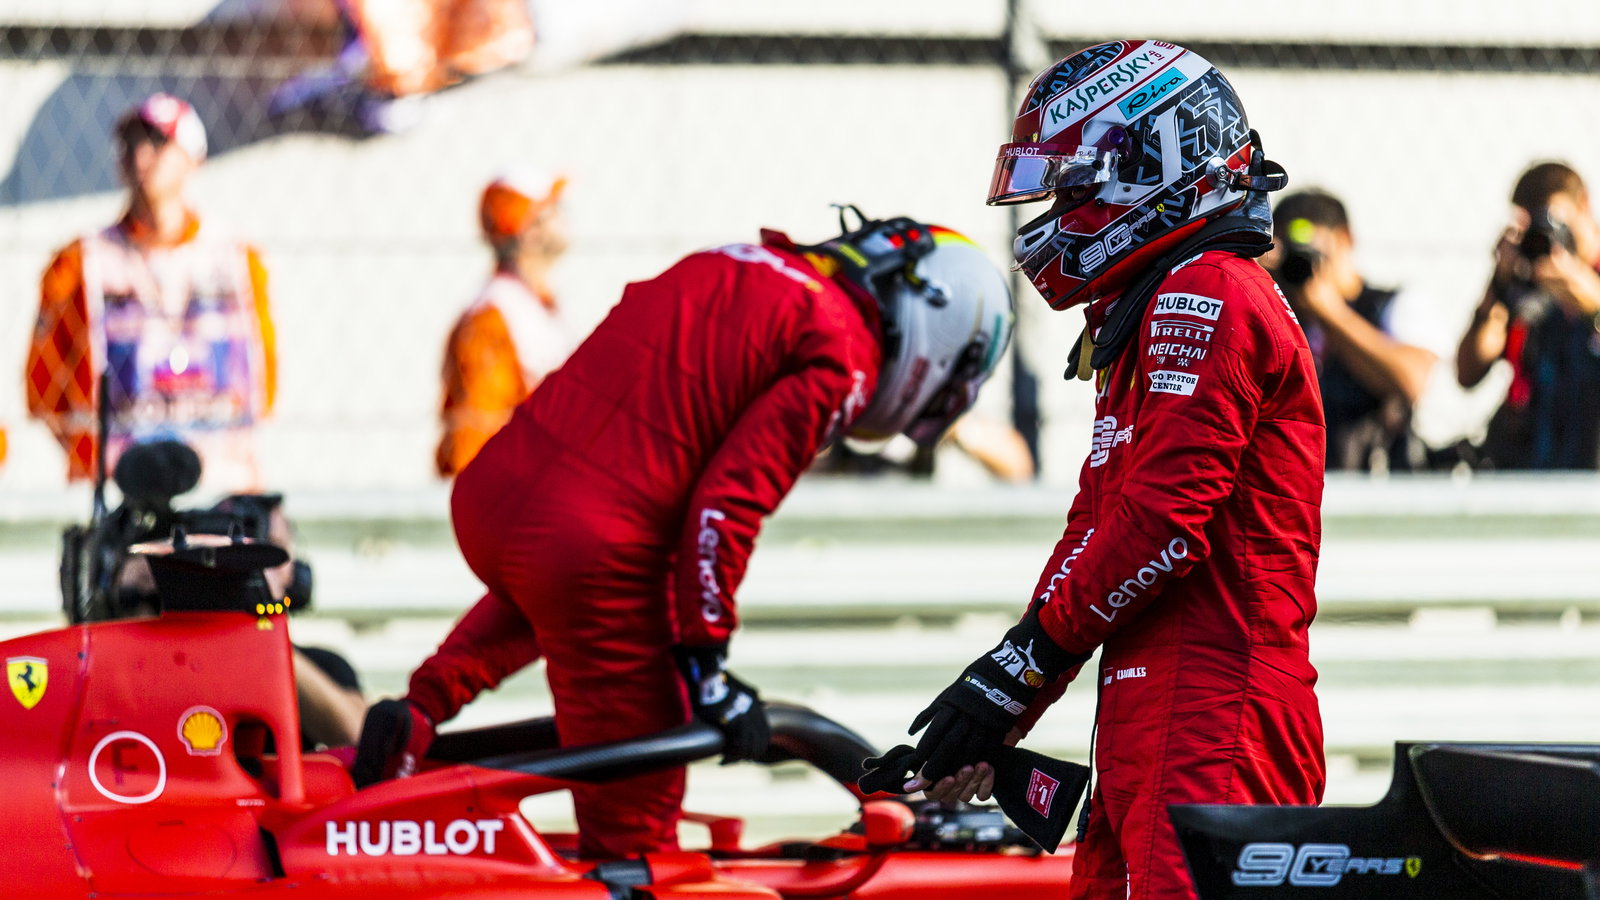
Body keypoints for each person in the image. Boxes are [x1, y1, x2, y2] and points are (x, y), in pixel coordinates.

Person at [352, 210, 1016, 859]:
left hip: (495, 501)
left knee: (554, 591)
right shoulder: (842, 352)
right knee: (640, 820)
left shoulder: (741, 260)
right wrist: (707, 665)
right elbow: (726, 511)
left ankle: (415, 717)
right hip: (587, 547)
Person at [858, 41, 1325, 900]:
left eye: (1073, 190)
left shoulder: (1209, 291)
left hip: (1217, 712)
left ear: (1158, 166)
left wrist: (1021, 668)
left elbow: (1162, 526)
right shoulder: (1155, 305)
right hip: (1153, 709)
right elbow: (1098, 528)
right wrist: (1006, 695)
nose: (1056, 214)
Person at [26, 93, 276, 493]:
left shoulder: (236, 258)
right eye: (131, 144)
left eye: (158, 142)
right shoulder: (81, 262)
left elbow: (264, 378)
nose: (141, 155)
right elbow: (42, 388)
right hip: (118, 487)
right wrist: (95, 457)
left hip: (222, 486)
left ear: (193, 157)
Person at [1268, 189, 1451, 471]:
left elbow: (1414, 380)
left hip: (1373, 481)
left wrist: (1331, 313)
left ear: (1345, 239)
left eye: (1308, 253)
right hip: (1294, 478)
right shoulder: (1276, 313)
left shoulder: (1391, 306)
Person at [1457, 162, 1600, 469]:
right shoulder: (1526, 286)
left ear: (1583, 204)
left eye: (1551, 218)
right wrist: (1499, 284)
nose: (1546, 234)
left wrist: (1593, 304)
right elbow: (1468, 372)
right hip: (1533, 463)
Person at [436, 169, 575, 477]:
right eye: (553, 209)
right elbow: (477, 437)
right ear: (529, 230)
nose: (566, 217)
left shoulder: (530, 303)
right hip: (518, 487)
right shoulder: (493, 316)